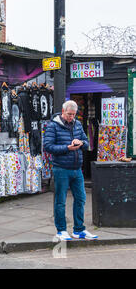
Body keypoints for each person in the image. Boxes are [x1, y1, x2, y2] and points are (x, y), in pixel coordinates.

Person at [44, 100, 98, 241]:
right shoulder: (53, 126)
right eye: (69, 114)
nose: (71, 117)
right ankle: (61, 230)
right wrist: (67, 148)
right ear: (63, 112)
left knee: (81, 199)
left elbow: (86, 143)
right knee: (60, 201)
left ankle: (79, 230)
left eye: (73, 114)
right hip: (61, 168)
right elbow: (48, 146)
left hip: (76, 169)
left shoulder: (78, 124)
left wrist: (80, 143)